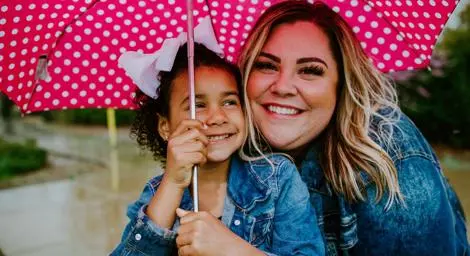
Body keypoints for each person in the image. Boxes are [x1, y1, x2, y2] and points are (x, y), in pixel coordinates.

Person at [236, 1, 469, 255]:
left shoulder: (388, 157)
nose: (282, 86)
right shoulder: (230, 146)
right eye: (267, 65)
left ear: (341, 84)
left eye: (310, 70)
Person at [111, 17, 324, 256]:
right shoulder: (156, 193)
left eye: (229, 102)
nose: (217, 117)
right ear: (165, 127)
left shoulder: (276, 179)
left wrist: (233, 250)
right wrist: (173, 184)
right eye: (197, 105)